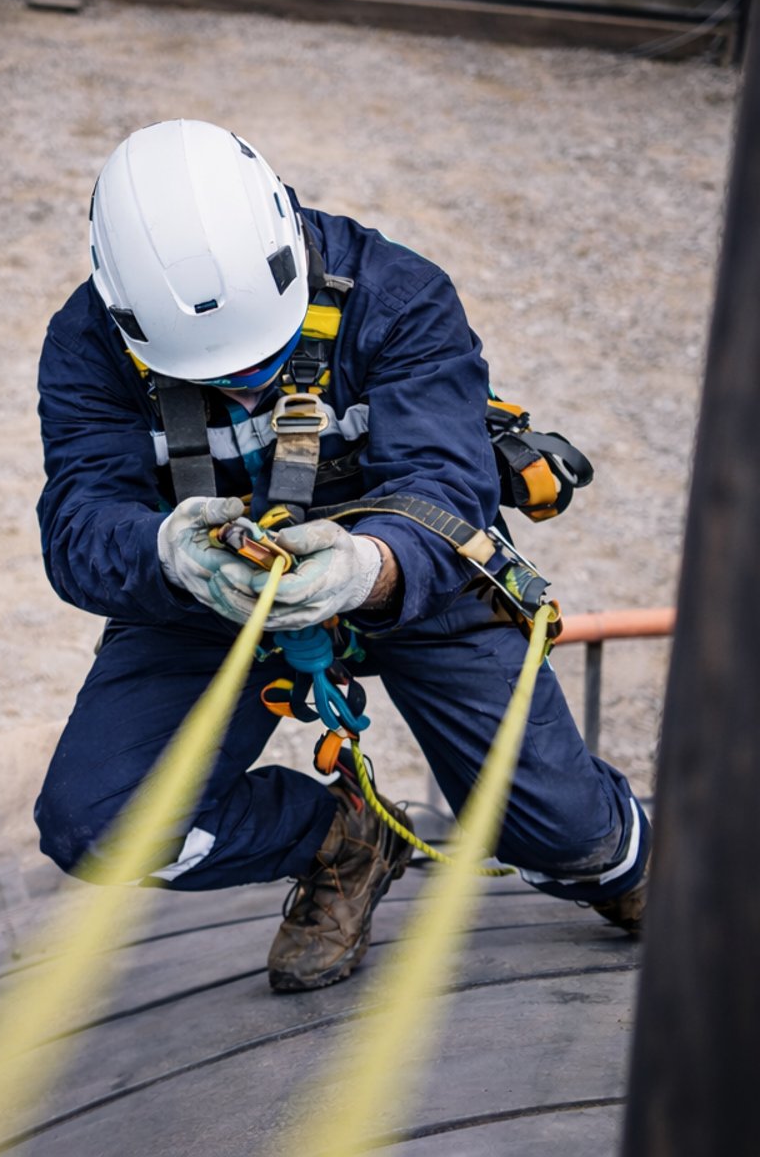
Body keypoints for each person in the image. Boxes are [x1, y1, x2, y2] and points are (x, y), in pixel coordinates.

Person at [32, 119, 649, 992]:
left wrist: (367, 569)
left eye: (264, 357)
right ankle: (343, 843)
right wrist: (171, 552)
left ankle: (623, 867)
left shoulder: (397, 296)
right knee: (99, 823)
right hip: (213, 600)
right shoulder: (92, 341)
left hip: (412, 579)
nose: (243, 384)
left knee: (555, 830)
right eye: (212, 373)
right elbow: (79, 525)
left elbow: (445, 485)